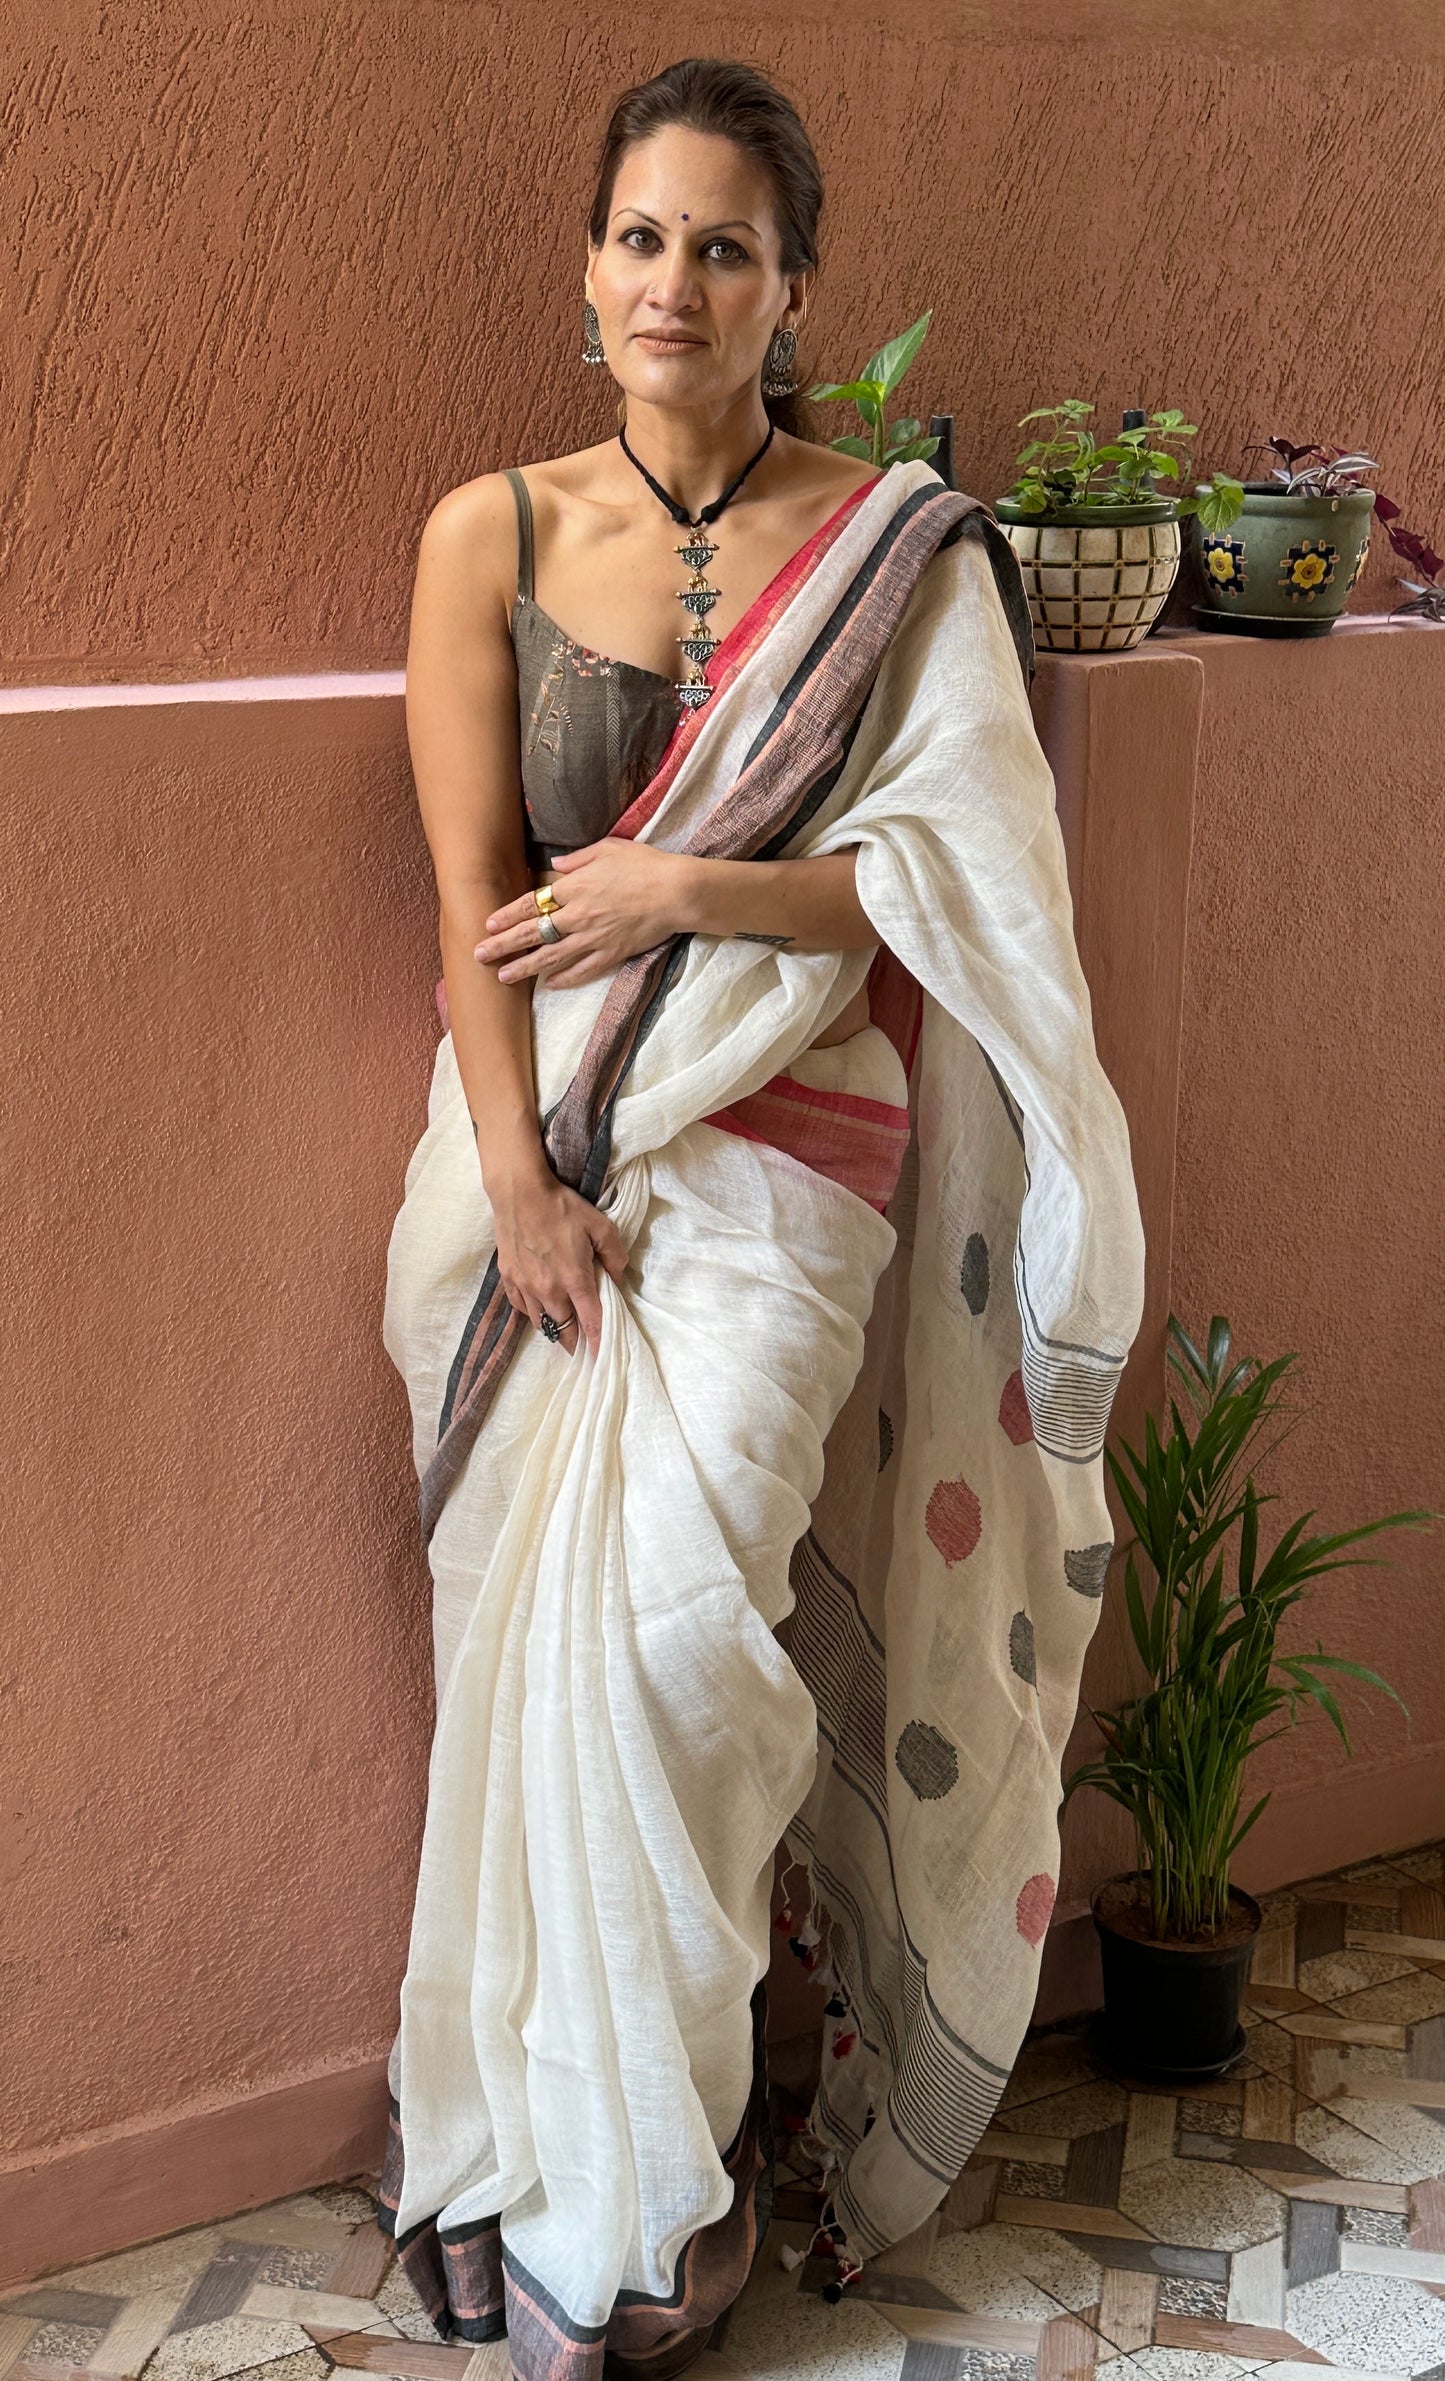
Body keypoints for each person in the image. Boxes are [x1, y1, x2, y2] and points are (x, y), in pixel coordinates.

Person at [376, 53, 1146, 2381]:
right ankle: (542, 2171)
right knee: (532, 1660)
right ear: (582, 265)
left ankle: (664, 2184)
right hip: (540, 1172)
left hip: (793, 1164)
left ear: (795, 287)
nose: (672, 283)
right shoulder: (484, 533)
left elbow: (957, 887)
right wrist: (517, 1183)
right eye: (638, 236)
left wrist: (687, 879)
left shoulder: (891, 548)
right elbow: (469, 902)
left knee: (691, 1669)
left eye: (723, 245)